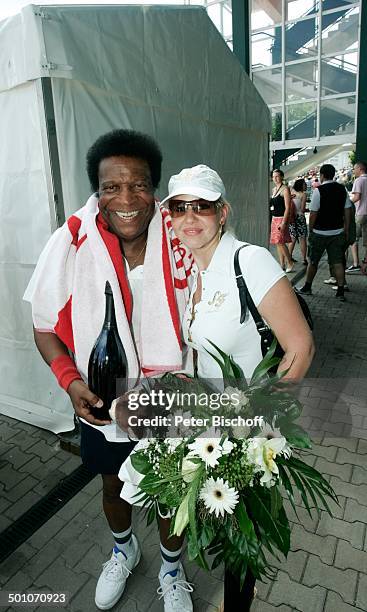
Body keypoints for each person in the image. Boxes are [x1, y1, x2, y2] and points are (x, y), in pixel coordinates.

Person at [23, 129, 194, 612]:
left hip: (171, 395)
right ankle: (124, 550)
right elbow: (41, 325)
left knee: (171, 487)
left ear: (154, 188)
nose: (125, 199)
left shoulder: (183, 236)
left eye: (138, 185)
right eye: (111, 187)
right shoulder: (74, 240)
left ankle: (171, 568)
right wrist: (70, 381)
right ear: (96, 190)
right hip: (102, 399)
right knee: (114, 482)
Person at [161, 164, 315, 611]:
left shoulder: (248, 259)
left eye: (202, 207)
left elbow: (300, 346)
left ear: (223, 212)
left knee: (241, 546)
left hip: (246, 435)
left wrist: (261, 426)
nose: (190, 218)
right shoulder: (196, 272)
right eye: (180, 209)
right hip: (210, 430)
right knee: (227, 533)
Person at [297, 164, 352, 302]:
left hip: (319, 232)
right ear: (333, 174)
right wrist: (346, 228)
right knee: (338, 262)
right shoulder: (342, 189)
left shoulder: (318, 191)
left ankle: (307, 287)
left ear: (322, 175)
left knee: (313, 261)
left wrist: (311, 229)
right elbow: (347, 210)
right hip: (337, 231)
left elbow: (314, 213)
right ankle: (340, 291)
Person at [269, 169, 294, 272]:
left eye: (277, 176)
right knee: (278, 242)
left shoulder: (285, 189)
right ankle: (282, 264)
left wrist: (284, 222)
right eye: (273, 177)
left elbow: (288, 207)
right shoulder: (274, 189)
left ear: (282, 177)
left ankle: (290, 262)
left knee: (280, 242)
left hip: (281, 218)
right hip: (274, 218)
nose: (275, 178)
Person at [346, 161, 367, 273]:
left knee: (353, 238)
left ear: (360, 169)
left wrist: (347, 202)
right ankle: (366, 262)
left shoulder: (359, 180)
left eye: (354, 169)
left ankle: (355, 264)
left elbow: (357, 197)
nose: (353, 171)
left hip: (360, 213)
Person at [288, 178, 308, 265]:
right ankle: (304, 259)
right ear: (301, 185)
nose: (306, 186)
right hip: (300, 218)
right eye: (304, 184)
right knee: (302, 238)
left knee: (292, 238)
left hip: (291, 218)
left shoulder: (291, 192)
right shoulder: (303, 195)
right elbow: (302, 209)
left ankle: (289, 257)